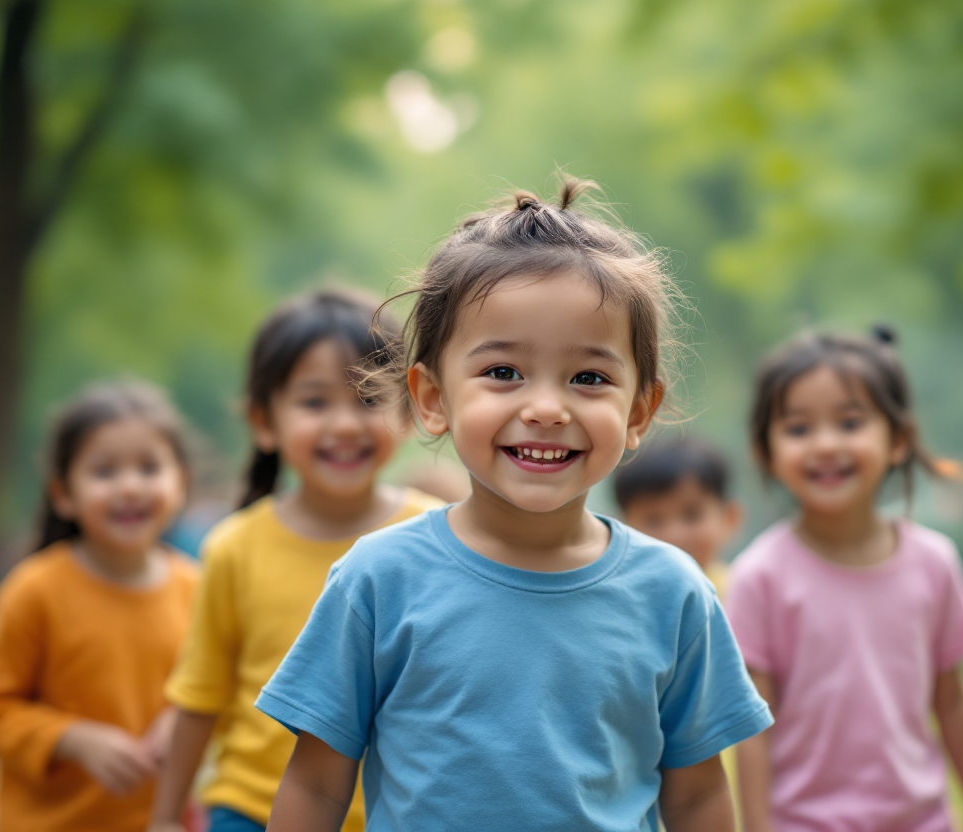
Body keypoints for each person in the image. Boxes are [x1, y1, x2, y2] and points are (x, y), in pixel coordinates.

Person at [253, 178, 773, 832]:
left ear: (639, 410)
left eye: (589, 378)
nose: (546, 409)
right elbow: (317, 785)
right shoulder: (378, 581)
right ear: (433, 399)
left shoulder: (673, 594)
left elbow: (697, 796)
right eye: (503, 372)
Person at [148, 289, 441, 832]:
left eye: (367, 398)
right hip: (251, 810)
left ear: (409, 407)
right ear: (264, 421)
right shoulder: (235, 547)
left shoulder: (440, 537)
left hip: (391, 815)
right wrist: (167, 816)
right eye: (314, 402)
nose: (345, 424)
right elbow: (200, 694)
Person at [726, 327, 963, 832]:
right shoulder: (759, 576)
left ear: (898, 439)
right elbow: (753, 728)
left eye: (850, 423)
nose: (826, 445)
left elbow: (953, 701)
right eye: (798, 429)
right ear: (765, 450)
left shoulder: (934, 563)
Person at [0, 381, 199, 832]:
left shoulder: (200, 589)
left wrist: (183, 722)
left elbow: (219, 690)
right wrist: (70, 739)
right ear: (63, 494)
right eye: (104, 472)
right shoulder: (34, 590)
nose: (130, 486)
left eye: (149, 468)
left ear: (181, 483)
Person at [614, 435, 743, 594]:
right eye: (653, 520)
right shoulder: (621, 597)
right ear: (622, 528)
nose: (674, 535)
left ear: (729, 518)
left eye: (692, 515)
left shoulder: (742, 593)